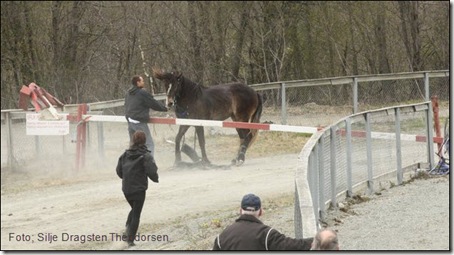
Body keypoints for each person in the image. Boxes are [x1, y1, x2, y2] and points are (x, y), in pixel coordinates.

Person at [213, 193, 314, 250]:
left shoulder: (222, 236)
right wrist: (316, 240)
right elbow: (291, 245)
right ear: (261, 212)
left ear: (240, 211)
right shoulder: (267, 234)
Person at [116, 130, 159, 247]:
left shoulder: (125, 154)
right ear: (144, 141)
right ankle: (129, 239)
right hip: (139, 190)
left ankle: (126, 232)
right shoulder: (146, 155)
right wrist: (156, 179)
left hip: (126, 190)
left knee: (134, 209)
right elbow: (152, 171)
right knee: (136, 214)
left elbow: (119, 172)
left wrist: (126, 179)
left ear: (133, 140)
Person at [124, 75, 168, 156]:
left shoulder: (128, 93)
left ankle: (131, 163)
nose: (144, 82)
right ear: (138, 82)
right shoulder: (142, 93)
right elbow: (153, 103)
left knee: (133, 146)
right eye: (142, 81)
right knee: (149, 144)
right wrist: (165, 108)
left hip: (130, 123)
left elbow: (126, 106)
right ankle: (149, 164)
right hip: (139, 123)